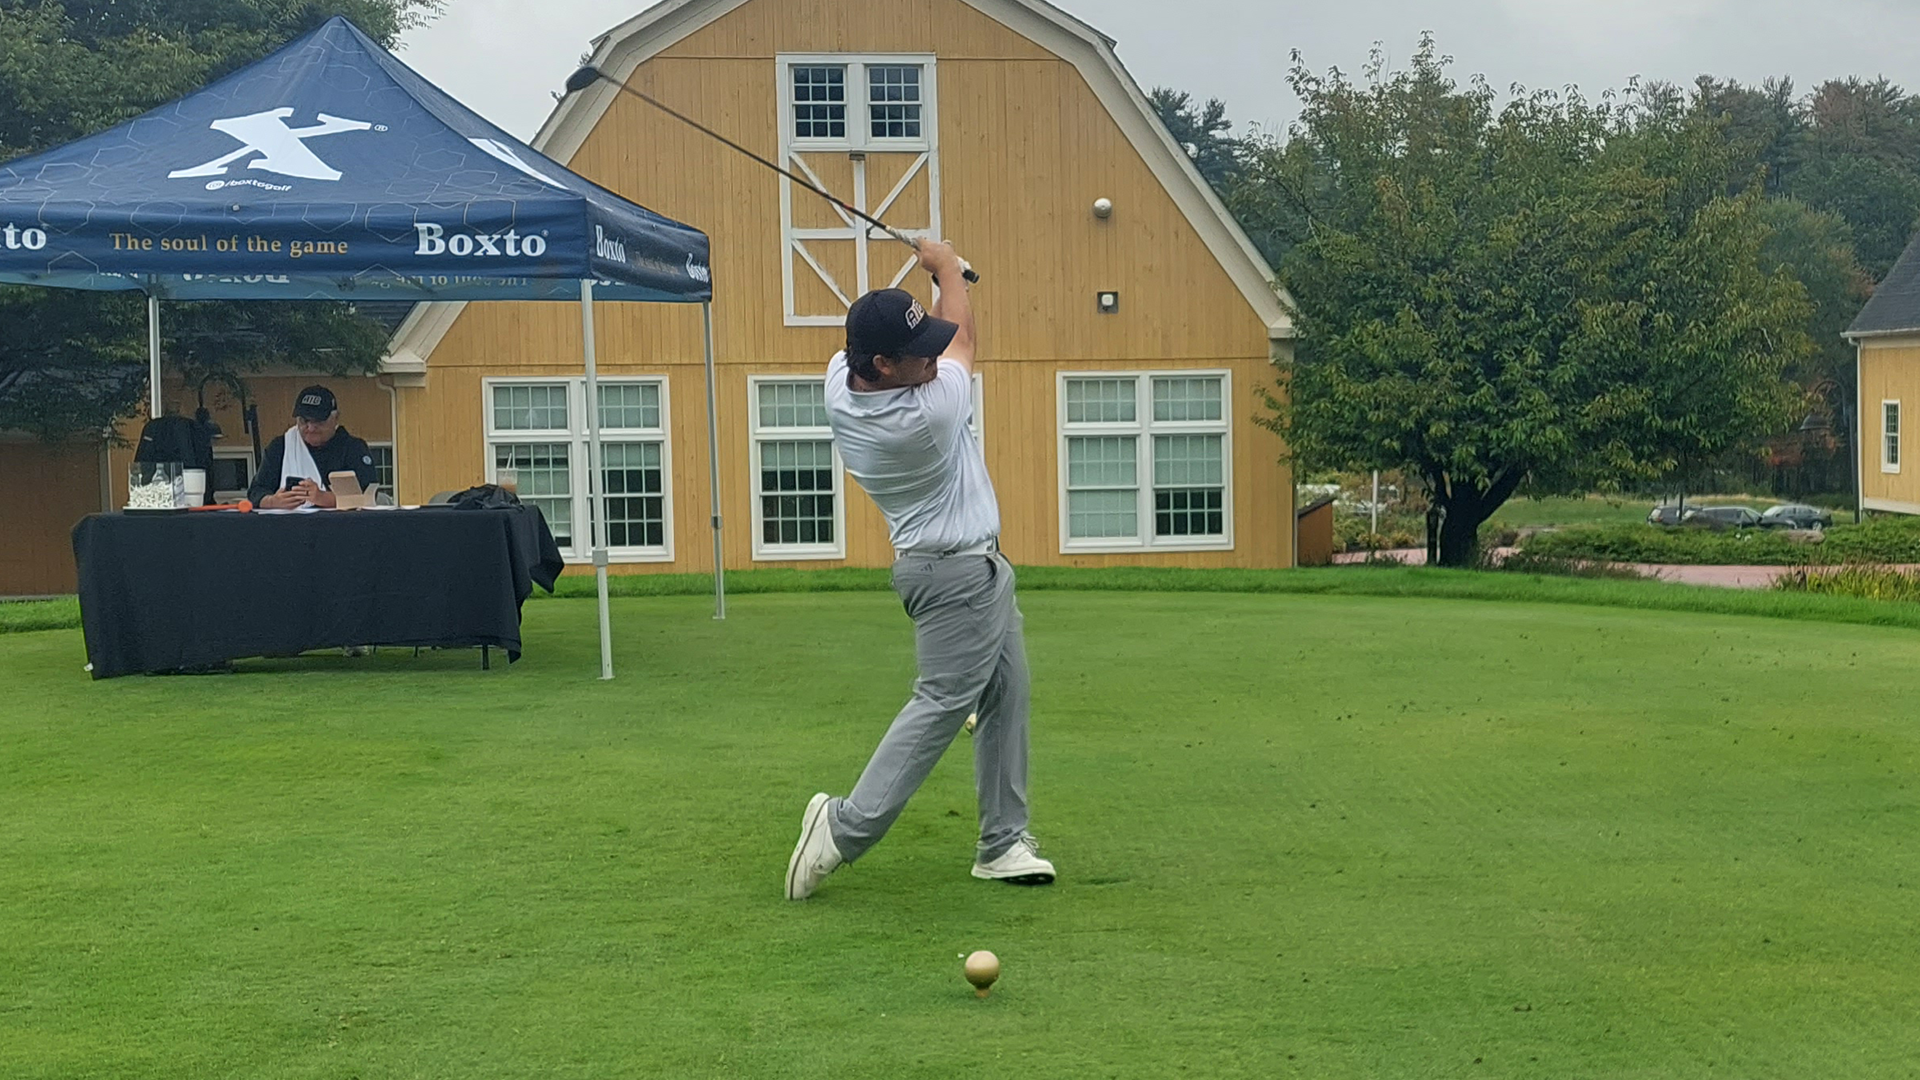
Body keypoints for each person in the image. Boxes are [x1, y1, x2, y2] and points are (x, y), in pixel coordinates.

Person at [785, 240, 1055, 900]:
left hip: (973, 568)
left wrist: (937, 286)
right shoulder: (927, 415)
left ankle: (1001, 842)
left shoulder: (840, 382)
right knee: (940, 705)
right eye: (918, 354)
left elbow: (940, 335)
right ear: (881, 363)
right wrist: (947, 267)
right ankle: (843, 828)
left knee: (1007, 694)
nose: (932, 359)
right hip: (954, 576)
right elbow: (963, 335)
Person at [247, 385, 378, 509]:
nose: (310, 428)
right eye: (304, 421)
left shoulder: (353, 448)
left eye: (318, 421)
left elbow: (368, 496)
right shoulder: (280, 447)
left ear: (336, 418)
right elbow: (256, 491)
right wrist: (273, 501)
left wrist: (322, 498)